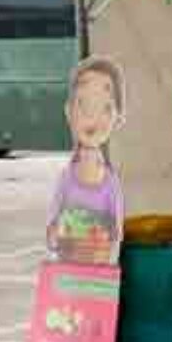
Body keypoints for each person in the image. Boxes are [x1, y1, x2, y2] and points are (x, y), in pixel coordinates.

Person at [47, 57, 126, 265]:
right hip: (67, 276)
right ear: (69, 111)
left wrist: (105, 247)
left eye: (105, 107)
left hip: (98, 278)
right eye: (83, 103)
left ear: (118, 119)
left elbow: (117, 233)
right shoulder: (65, 178)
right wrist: (58, 235)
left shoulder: (111, 182)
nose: (92, 116)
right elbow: (52, 231)